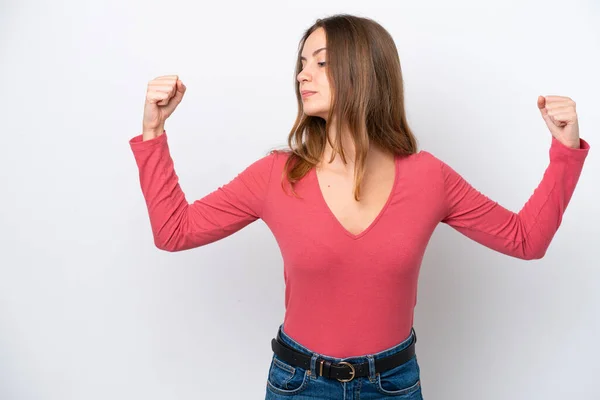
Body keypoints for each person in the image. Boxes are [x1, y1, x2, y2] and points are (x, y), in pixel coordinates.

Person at [129, 13, 590, 400]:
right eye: (301, 63)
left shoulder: (428, 176)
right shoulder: (275, 174)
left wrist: (565, 151)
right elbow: (175, 231)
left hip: (394, 385)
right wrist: (153, 133)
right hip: (298, 384)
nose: (301, 75)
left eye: (321, 62)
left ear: (364, 71)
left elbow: (525, 240)